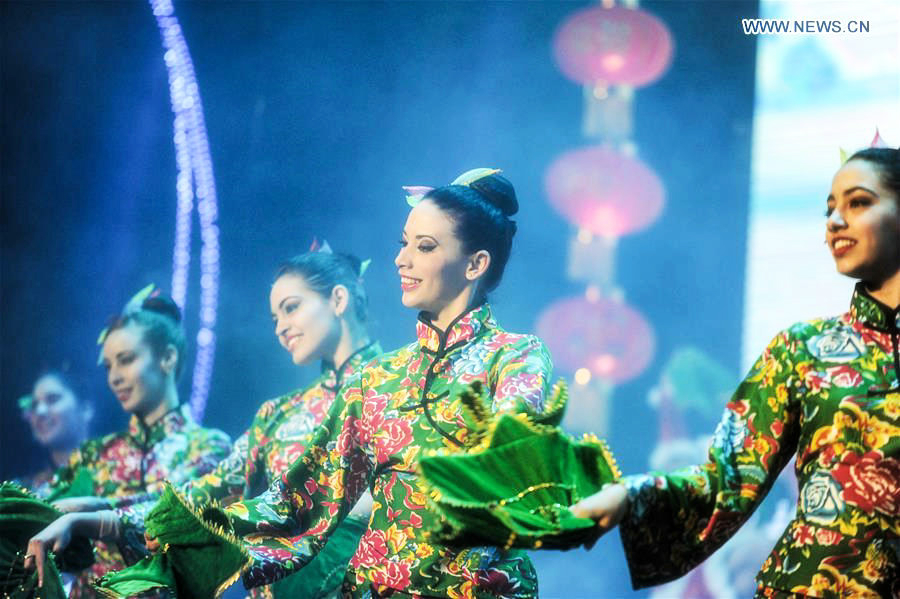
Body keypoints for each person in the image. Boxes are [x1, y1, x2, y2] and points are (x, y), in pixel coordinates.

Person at [201, 169, 552, 598]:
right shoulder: (379, 378)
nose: (401, 259)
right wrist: (188, 536)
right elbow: (298, 498)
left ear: (476, 263)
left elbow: (507, 458)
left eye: (424, 247)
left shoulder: (514, 356)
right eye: (403, 243)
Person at [571, 146, 900, 597]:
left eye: (858, 202)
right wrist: (632, 496)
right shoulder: (804, 349)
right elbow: (727, 475)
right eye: (829, 209)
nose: (835, 221)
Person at [27, 252, 382, 599]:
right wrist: (103, 517)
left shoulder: (398, 388)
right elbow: (200, 496)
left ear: (338, 299)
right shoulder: (277, 415)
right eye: (275, 317)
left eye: (290, 308)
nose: (280, 327)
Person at [22, 288, 233, 599]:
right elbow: (38, 512)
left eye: (126, 360)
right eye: (108, 366)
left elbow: (172, 515)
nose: (115, 377)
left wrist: (94, 513)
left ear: (167, 357)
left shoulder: (208, 447)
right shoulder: (94, 454)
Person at [16, 370, 94, 497]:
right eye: (34, 405)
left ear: (86, 408)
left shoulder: (120, 465)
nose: (40, 411)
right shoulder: (24, 492)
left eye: (52, 399)